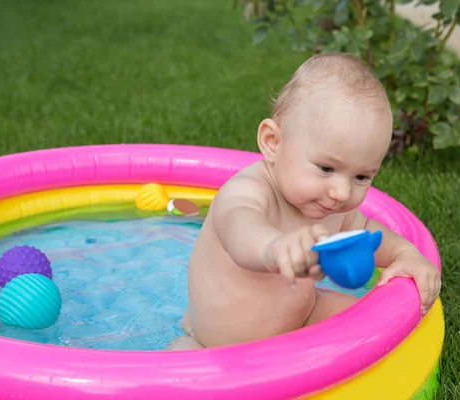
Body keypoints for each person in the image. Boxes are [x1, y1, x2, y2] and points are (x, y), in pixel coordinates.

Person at [167, 52, 441, 350]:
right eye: (326, 168)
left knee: (370, 324)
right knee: (180, 373)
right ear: (273, 142)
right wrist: (274, 249)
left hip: (302, 317)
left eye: (362, 177)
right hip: (213, 344)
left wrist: (406, 253)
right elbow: (240, 229)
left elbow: (367, 235)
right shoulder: (247, 192)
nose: (341, 192)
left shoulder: (330, 204)